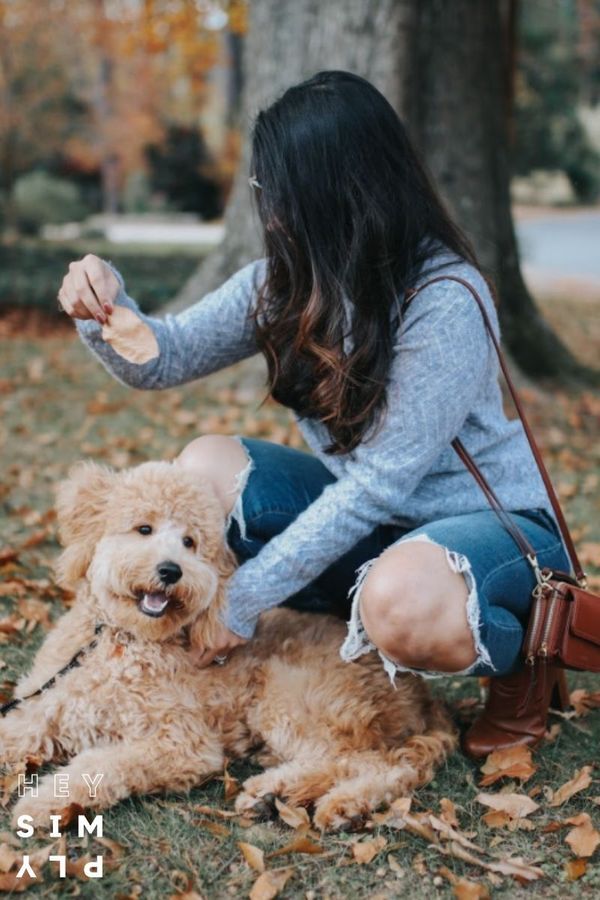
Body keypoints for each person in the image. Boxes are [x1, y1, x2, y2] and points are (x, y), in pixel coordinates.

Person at [57, 70, 573, 756]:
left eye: (274, 191)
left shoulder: (444, 298)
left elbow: (381, 482)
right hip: (378, 528)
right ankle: (306, 638)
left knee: (401, 603)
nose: (266, 209)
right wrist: (104, 307)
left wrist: (237, 604)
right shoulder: (287, 281)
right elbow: (165, 357)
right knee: (206, 465)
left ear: (335, 193)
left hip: (494, 533)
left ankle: (521, 667)